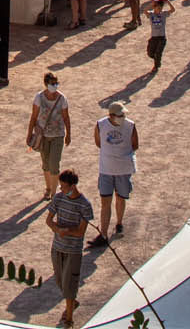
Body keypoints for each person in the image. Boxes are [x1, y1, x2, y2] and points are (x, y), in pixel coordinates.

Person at [45, 170, 96, 328]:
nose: (62, 190)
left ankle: (69, 318)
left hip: (73, 250)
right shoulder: (59, 198)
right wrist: (56, 229)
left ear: (73, 186)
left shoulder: (85, 205)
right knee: (60, 280)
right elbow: (49, 220)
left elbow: (81, 231)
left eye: (64, 187)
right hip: (58, 247)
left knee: (70, 284)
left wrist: (66, 231)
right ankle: (71, 303)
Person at [90, 103, 139, 248]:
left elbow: (135, 144)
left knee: (120, 197)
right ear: (111, 116)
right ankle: (103, 233)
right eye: (120, 115)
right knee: (105, 201)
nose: (123, 117)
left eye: (123, 115)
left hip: (123, 169)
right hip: (106, 169)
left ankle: (119, 222)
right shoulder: (101, 125)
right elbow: (98, 142)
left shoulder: (130, 125)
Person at [27, 73, 72, 196]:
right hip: (43, 135)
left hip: (58, 135)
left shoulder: (62, 98)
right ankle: (48, 188)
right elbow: (34, 117)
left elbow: (66, 117)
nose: (55, 86)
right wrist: (29, 133)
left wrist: (68, 134)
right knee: (46, 163)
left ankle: (53, 192)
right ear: (46, 84)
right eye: (52, 83)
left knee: (54, 164)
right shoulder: (39, 97)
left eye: (56, 83)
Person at [144, 0, 172, 74]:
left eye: (160, 8)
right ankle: (157, 60)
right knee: (150, 53)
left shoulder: (163, 14)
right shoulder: (151, 14)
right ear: (154, 7)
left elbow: (172, 10)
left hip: (162, 38)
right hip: (154, 37)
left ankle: (156, 66)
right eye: (157, 8)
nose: (159, 10)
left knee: (158, 52)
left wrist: (168, 2)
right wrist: (151, 4)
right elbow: (144, 10)